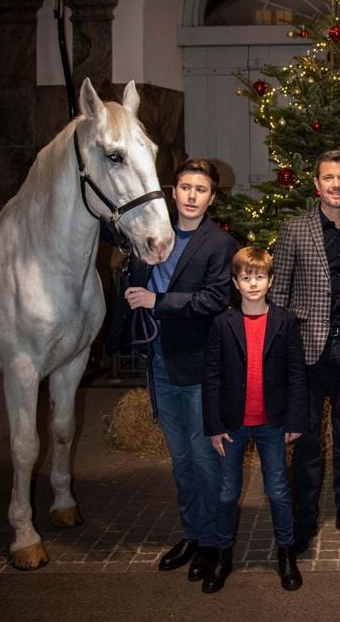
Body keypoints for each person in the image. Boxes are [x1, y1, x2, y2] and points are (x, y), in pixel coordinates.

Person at [111, 158, 238, 582]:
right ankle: (194, 535)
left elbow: (215, 300)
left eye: (200, 189)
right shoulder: (153, 233)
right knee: (181, 461)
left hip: (200, 366)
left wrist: (157, 302)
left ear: (212, 197)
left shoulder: (219, 244)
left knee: (206, 461)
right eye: (185, 187)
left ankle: (216, 543)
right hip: (159, 362)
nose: (191, 195)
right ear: (173, 191)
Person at [270, 149, 340, 554]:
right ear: (316, 184)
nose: (336, 185)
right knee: (308, 438)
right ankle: (304, 520)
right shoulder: (294, 230)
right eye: (328, 178)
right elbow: (279, 296)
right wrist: (279, 355)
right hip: (305, 348)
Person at [201, 247, 308, 594]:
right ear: (235, 282)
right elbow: (212, 377)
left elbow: (296, 376)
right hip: (231, 424)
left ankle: (286, 551)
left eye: (259, 276)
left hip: (272, 423)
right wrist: (213, 425)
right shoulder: (222, 323)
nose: (252, 283)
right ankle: (222, 554)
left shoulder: (285, 322)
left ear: (271, 280)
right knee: (227, 491)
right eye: (245, 277)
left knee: (277, 490)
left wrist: (295, 420)